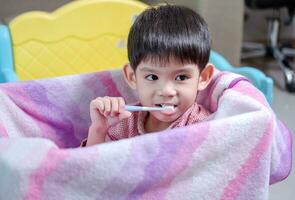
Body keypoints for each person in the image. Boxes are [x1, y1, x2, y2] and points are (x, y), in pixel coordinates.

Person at [82, 4, 214, 147]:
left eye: (181, 77)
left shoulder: (204, 127)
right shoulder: (123, 123)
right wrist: (99, 129)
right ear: (132, 76)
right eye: (152, 77)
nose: (166, 91)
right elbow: (91, 167)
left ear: (203, 77)